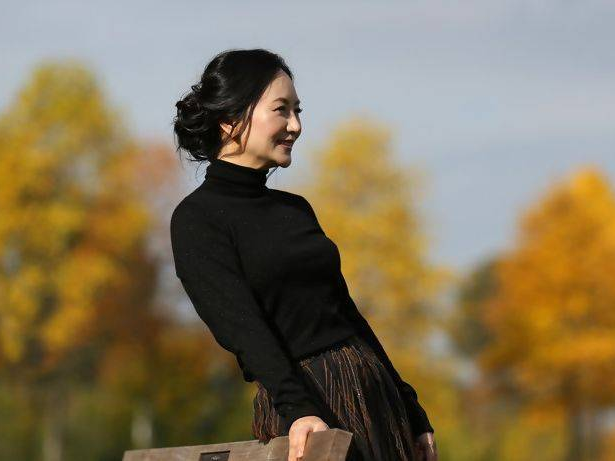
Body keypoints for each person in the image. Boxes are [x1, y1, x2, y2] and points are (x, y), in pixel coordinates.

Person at [170, 48, 437, 461]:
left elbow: (346, 316)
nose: (295, 125)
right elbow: (245, 331)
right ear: (229, 119)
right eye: (282, 110)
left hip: (372, 391)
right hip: (305, 405)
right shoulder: (197, 220)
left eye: (298, 111)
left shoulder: (295, 210)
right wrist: (298, 410)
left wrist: (409, 406)